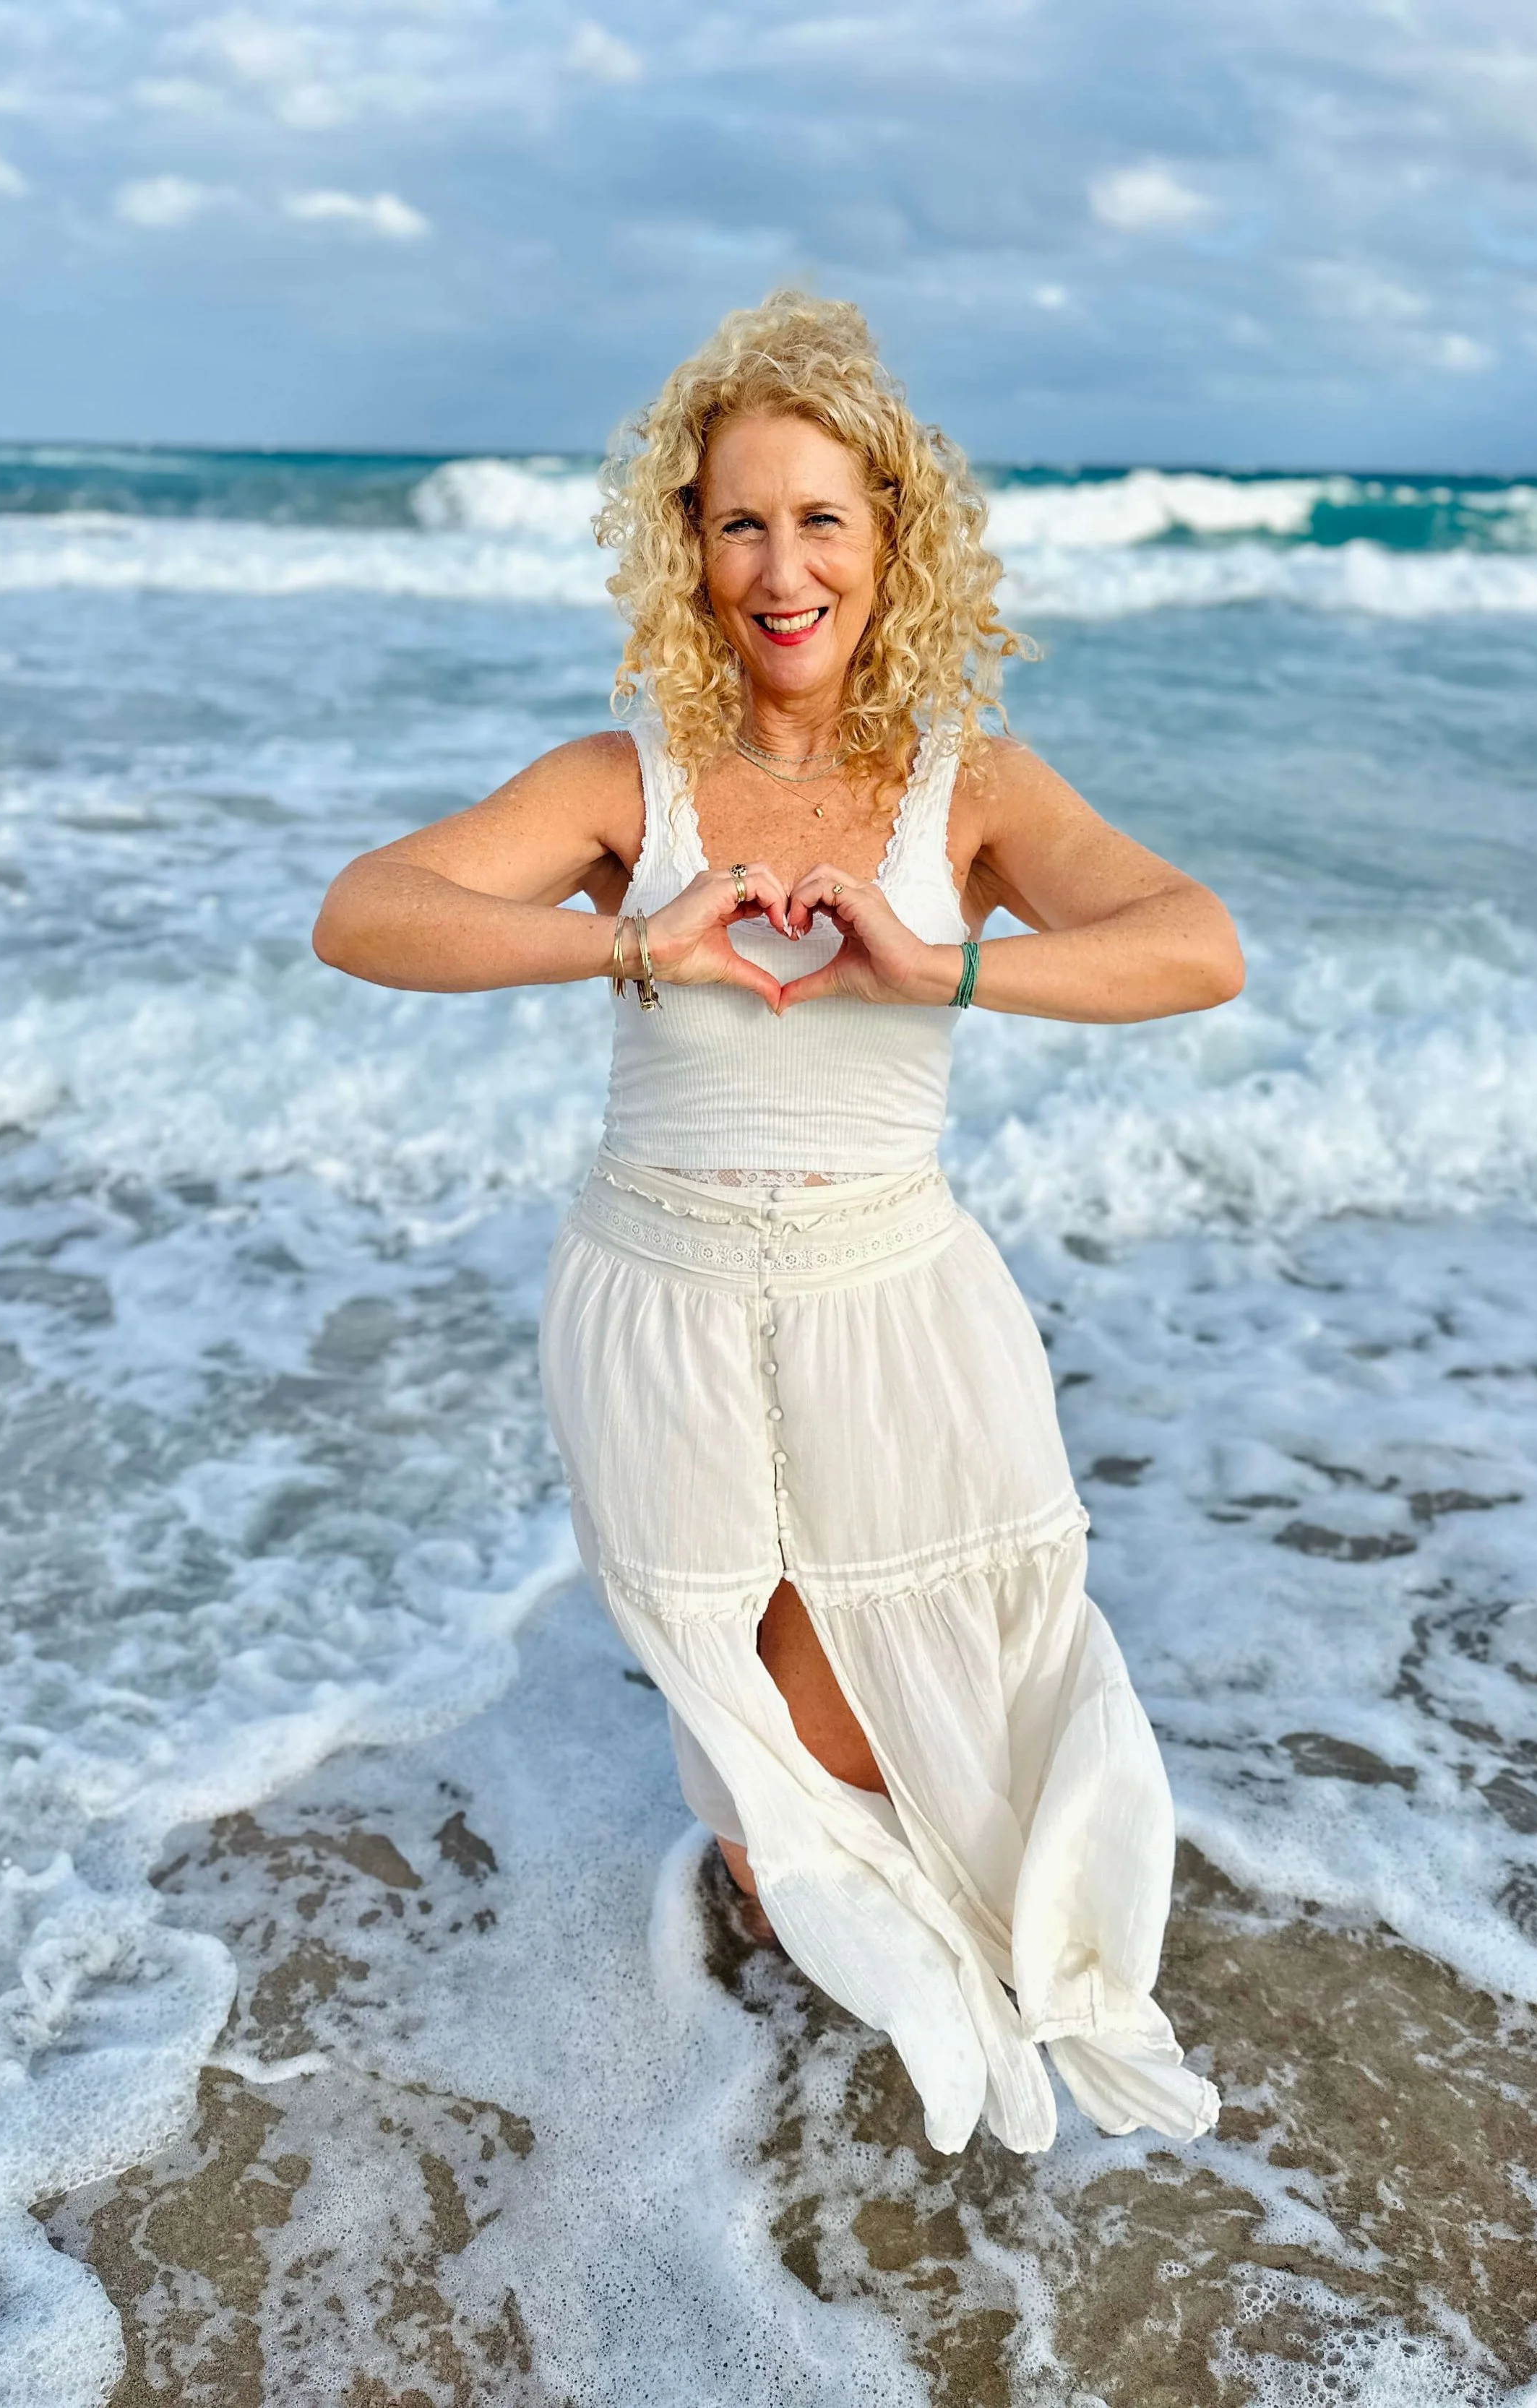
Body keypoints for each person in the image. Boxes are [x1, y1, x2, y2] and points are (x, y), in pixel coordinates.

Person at [313, 290, 1244, 2155]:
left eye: (821, 517)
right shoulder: (621, 781)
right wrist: (626, 941)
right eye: (741, 520)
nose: (782, 563)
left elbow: (1194, 944)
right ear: (690, 549)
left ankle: (837, 1954)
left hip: (889, 1294)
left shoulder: (963, 784)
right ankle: (774, 1946)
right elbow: (370, 911)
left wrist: (945, 968)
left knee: (882, 1701)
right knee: (736, 1685)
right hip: (657, 1294)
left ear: (892, 541)